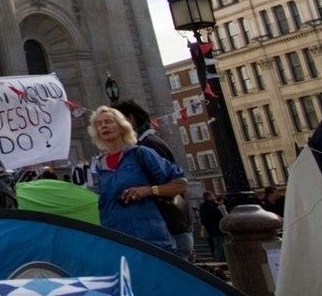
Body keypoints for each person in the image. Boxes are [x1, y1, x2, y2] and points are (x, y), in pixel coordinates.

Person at [85, 107, 186, 252]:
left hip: (150, 240)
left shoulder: (141, 154)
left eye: (108, 121)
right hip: (118, 244)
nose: (104, 126)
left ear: (122, 128)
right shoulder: (100, 165)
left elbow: (181, 184)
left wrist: (150, 190)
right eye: (99, 124)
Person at [123, 101, 194, 258]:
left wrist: (149, 190)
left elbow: (179, 184)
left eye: (114, 120)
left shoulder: (149, 146)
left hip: (169, 233)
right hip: (164, 231)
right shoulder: (143, 146)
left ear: (130, 119)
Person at [198, 191, 225, 260]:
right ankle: (219, 263)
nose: (214, 197)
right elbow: (217, 218)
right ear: (208, 197)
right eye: (213, 196)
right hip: (217, 230)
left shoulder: (206, 206)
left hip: (212, 230)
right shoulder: (210, 207)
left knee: (218, 247)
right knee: (219, 247)